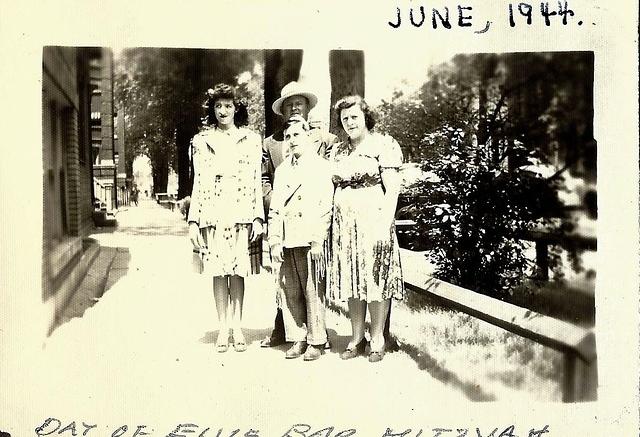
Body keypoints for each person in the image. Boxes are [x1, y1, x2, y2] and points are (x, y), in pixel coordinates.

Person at [260, 81, 338, 349]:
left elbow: (325, 201)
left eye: (299, 103)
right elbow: (273, 198)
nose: (293, 140)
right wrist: (274, 237)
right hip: (286, 231)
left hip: (310, 231)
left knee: (313, 288)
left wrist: (318, 238)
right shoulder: (278, 160)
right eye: (289, 136)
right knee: (289, 288)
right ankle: (296, 336)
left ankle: (317, 338)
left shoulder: (322, 156)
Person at [188, 84, 264, 353]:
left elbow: (256, 180)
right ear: (212, 109)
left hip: (241, 207)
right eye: (218, 106)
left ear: (236, 108)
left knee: (237, 270)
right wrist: (194, 220)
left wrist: (258, 217)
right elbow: (197, 181)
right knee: (219, 271)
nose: (223, 111)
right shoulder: (201, 141)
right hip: (213, 209)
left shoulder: (251, 140)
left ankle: (237, 326)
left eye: (228, 106)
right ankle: (222, 327)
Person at [329, 95, 404, 363]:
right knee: (352, 279)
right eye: (345, 119)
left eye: (354, 117)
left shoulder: (383, 145)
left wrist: (385, 225)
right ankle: (356, 336)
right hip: (345, 226)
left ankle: (377, 337)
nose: (349, 122)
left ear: (366, 118)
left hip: (374, 222)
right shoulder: (337, 151)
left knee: (375, 279)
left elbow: (392, 188)